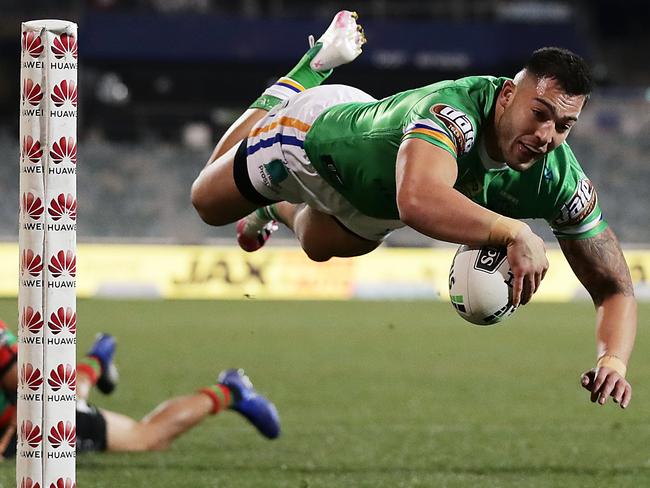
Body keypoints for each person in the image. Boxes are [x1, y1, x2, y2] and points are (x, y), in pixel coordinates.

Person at [190, 11, 636, 409]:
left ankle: (272, 211)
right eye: (539, 113)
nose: (547, 135)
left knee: (318, 244)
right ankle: (306, 72)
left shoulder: (559, 177)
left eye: (564, 126)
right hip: (312, 141)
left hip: (379, 202)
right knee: (207, 202)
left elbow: (613, 286)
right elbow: (419, 198)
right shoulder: (453, 110)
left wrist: (612, 359)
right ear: (506, 96)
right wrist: (515, 232)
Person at [0, 321, 280, 458]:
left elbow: (35, 385)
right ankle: (96, 361)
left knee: (146, 437)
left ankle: (230, 391)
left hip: (31, 421)